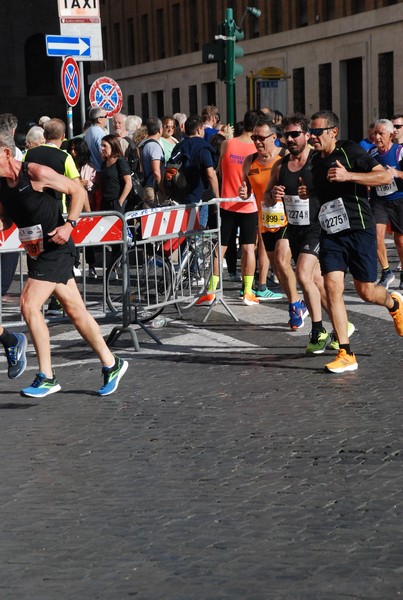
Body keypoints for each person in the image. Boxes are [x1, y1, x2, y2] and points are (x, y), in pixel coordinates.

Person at [0, 130, 128, 397]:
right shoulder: (2, 187)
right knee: (76, 311)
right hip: (38, 252)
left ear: (7, 153)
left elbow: (76, 189)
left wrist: (70, 225)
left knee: (28, 304)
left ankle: (46, 376)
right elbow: (6, 221)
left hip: (57, 247)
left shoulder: (33, 172)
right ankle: (112, 363)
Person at [309, 110, 403, 373]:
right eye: (311, 132)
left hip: (359, 228)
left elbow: (384, 177)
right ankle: (346, 352)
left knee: (366, 291)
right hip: (331, 233)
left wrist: (349, 176)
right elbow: (320, 192)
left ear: (333, 132)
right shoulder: (315, 161)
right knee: (332, 286)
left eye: (317, 132)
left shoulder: (349, 151)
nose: (312, 137)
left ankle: (393, 303)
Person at [264, 113, 329, 347]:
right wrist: (273, 196)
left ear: (307, 135)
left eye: (295, 134)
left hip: (317, 227)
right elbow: (267, 196)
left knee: (302, 274)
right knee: (317, 282)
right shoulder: (280, 166)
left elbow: (334, 191)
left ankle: (318, 331)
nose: (289, 139)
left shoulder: (318, 161)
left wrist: (312, 193)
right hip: (294, 229)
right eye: (286, 135)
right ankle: (342, 324)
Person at [197, 110, 264, 306]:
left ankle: (211, 290)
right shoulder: (257, 149)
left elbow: (219, 170)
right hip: (248, 204)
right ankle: (248, 291)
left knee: (221, 248)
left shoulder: (227, 143)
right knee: (248, 248)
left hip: (227, 202)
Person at [238, 117, 284, 303]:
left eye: (261, 138)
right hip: (264, 220)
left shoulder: (285, 156)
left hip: (289, 221)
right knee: (276, 262)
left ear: (273, 137)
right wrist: (243, 193)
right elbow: (247, 190)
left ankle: (301, 302)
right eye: (254, 137)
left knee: (284, 262)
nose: (257, 142)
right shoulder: (249, 161)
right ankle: (265, 287)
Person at [369, 119, 403, 290]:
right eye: (375, 133)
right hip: (379, 200)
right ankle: (386, 271)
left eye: (380, 133)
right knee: (376, 237)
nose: (376, 136)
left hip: (398, 198)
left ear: (391, 135)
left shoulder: (400, 152)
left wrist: (396, 172)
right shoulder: (372, 153)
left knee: (401, 240)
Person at [66, 137, 98, 278]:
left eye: (75, 149)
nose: (73, 152)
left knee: (88, 236)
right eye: (71, 149)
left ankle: (91, 265)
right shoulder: (67, 162)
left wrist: (88, 184)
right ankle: (75, 263)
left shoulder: (89, 166)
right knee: (73, 236)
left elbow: (94, 183)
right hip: (70, 203)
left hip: (86, 205)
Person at [84, 106, 109, 211]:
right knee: (99, 202)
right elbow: (103, 153)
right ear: (99, 119)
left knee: (94, 202)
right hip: (99, 171)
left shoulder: (89, 132)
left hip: (91, 171)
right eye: (106, 116)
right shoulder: (99, 133)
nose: (107, 118)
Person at [100, 134, 132, 214]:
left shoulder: (120, 161)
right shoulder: (104, 163)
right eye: (101, 146)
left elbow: (128, 183)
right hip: (105, 203)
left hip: (116, 202)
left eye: (105, 146)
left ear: (112, 146)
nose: (102, 148)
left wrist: (120, 201)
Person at [138, 117, 165, 204]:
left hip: (143, 185)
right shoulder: (154, 146)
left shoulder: (141, 143)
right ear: (160, 130)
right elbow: (156, 171)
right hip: (153, 188)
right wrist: (163, 189)